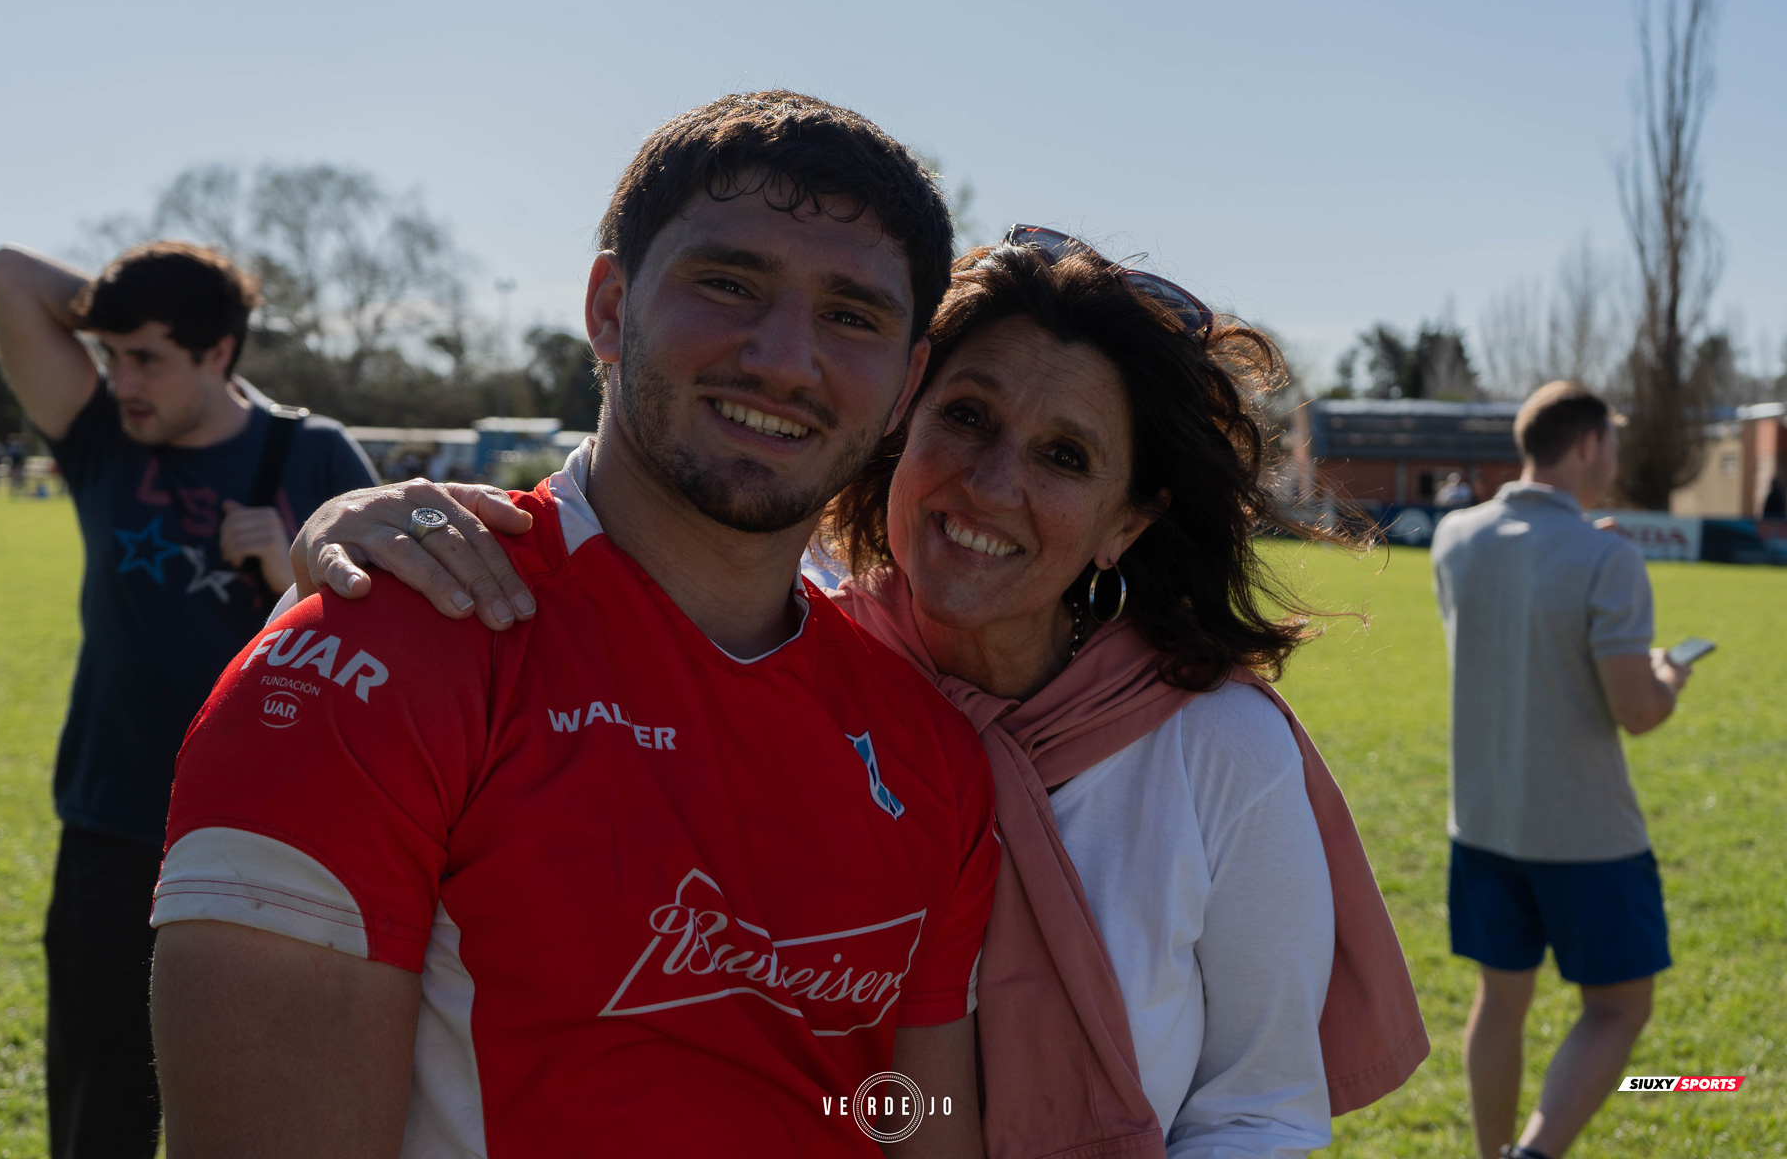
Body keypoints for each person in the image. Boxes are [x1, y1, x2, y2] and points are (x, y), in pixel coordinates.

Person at [295, 227, 1430, 1157]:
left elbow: (1257, 1111)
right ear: (900, 423)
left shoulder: (1219, 748)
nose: (991, 486)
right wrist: (355, 525)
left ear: (1128, 523)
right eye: (968, 418)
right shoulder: (781, 648)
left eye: (1066, 458)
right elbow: (606, 565)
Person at [149, 91, 999, 1157]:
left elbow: (915, 1125)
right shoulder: (374, 648)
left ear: (907, 379)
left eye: (852, 315)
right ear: (609, 305)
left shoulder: (930, 751)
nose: (786, 359)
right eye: (728, 283)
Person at [0, 239, 377, 1159]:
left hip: (279, 840)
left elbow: (413, 636)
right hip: (113, 828)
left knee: (261, 1121)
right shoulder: (103, 441)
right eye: (109, 352)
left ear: (219, 352)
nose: (120, 378)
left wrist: (296, 558)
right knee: (99, 1111)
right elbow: (6, 272)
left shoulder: (312, 455)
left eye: (147, 356)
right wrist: (128, 304)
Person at [1430, 382, 1691, 1159]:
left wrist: (1589, 546)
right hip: (1586, 835)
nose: (1612, 456)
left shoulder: (1454, 536)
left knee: (1499, 1002)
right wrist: (1670, 675)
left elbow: (1525, 585)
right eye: (1610, 442)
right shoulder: (1607, 558)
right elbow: (1637, 710)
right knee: (1617, 1010)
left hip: (1482, 824)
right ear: (1587, 445)